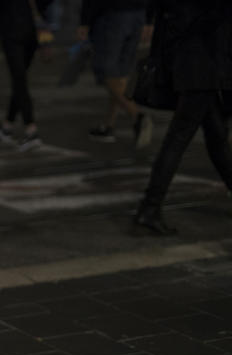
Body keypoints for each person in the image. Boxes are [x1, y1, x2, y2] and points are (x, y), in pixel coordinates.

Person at [134, 0, 232, 235]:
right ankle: (150, 207)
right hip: (203, 68)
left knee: (215, 134)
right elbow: (213, 22)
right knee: (177, 139)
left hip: (185, 64)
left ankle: (150, 207)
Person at [78, 0, 154, 147]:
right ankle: (109, 125)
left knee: (106, 72)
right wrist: (149, 18)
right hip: (137, 14)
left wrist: (85, 21)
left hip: (113, 15)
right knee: (120, 74)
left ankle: (138, 116)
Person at [0, 0, 52, 151]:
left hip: (13, 28)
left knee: (19, 80)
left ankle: (31, 128)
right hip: (31, 29)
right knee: (20, 79)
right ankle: (7, 124)